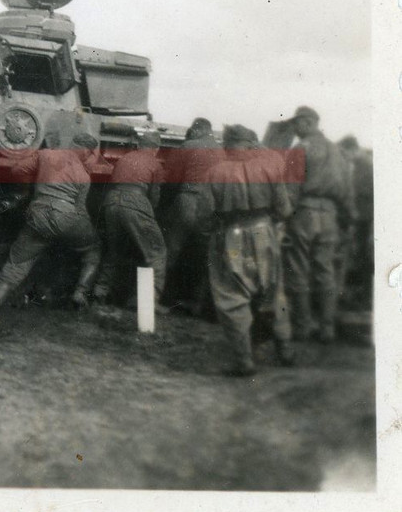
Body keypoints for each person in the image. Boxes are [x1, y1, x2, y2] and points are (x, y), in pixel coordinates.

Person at [0, 132, 102, 321]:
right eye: (90, 153)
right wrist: (83, 231)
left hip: (39, 214)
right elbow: (80, 209)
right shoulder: (84, 175)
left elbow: (18, 170)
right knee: (93, 249)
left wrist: (33, 189)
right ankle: (80, 292)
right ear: (85, 150)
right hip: (68, 217)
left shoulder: (46, 154)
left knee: (16, 264)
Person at [201, 125, 294, 376]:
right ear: (250, 143)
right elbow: (284, 209)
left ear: (227, 144)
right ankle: (285, 350)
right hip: (265, 232)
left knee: (232, 296)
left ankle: (244, 361)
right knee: (274, 292)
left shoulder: (214, 172)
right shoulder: (270, 167)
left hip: (231, 234)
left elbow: (204, 215)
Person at [281, 106, 353, 343]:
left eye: (297, 124)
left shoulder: (301, 149)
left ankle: (302, 327)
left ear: (307, 123)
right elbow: (347, 191)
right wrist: (345, 219)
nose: (295, 128)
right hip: (330, 215)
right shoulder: (338, 151)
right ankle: (327, 328)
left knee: (298, 267)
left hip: (305, 213)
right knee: (325, 270)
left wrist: (283, 217)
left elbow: (290, 188)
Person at [93, 131, 167, 308]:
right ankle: (147, 302)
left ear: (139, 145)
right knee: (156, 252)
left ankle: (99, 293)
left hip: (111, 202)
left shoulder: (124, 158)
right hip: (136, 202)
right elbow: (155, 196)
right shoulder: (155, 163)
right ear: (155, 148)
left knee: (114, 251)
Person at [163, 118, 222, 315]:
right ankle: (198, 303)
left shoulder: (188, 145)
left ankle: (161, 299)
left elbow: (171, 178)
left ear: (197, 130)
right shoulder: (221, 151)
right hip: (210, 204)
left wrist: (165, 205)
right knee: (205, 255)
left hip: (188, 199)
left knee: (171, 250)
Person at [337, 135, 373, 310]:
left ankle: (365, 299)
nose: (345, 157)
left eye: (344, 153)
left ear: (352, 149)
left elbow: (365, 194)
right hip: (363, 220)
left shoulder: (366, 165)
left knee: (366, 260)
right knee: (362, 259)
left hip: (367, 221)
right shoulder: (361, 164)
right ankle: (363, 297)